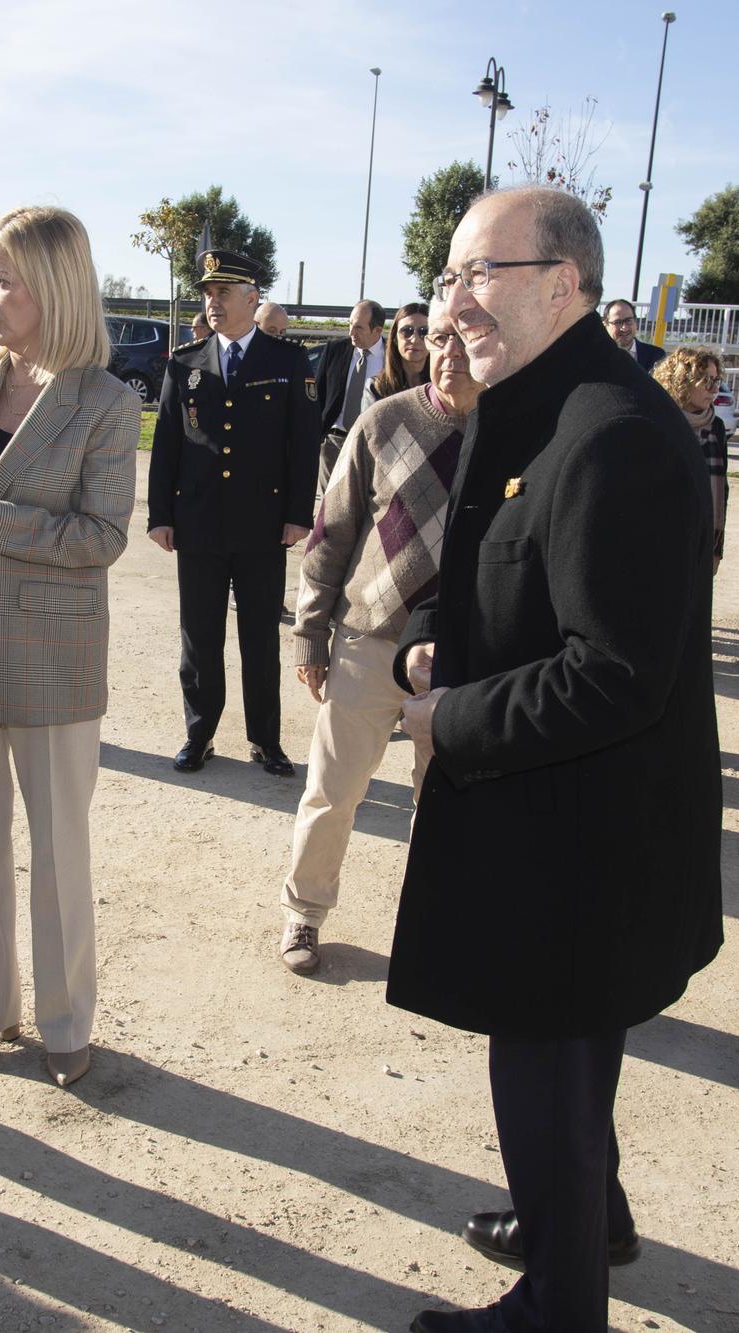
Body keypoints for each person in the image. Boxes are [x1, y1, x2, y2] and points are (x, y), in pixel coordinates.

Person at [394, 188, 723, 1333]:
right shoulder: (541, 403)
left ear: (563, 282)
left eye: (478, 273)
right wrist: (467, 643)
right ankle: (581, 1227)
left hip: (579, 851)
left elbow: (615, 673)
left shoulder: (611, 432)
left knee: (547, 1087)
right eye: (448, 277)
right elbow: (548, 593)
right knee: (563, 1091)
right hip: (555, 831)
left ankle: (556, 1306)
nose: (454, 301)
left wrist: (453, 718)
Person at [0, 205, 138, 1090]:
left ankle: (67, 1020)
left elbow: (101, 537)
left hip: (52, 656)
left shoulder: (107, 402)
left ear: (54, 285)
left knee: (57, 854)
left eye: (2, 279)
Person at [277, 310, 481, 975]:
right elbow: (330, 534)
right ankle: (303, 914)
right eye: (440, 337)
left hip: (461, 655)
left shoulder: (514, 433)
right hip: (368, 638)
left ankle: (432, 928)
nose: (447, 351)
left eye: (462, 339)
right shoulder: (385, 420)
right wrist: (310, 629)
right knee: (332, 790)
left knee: (445, 805)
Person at [147, 247, 320, 777]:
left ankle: (266, 739)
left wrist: (297, 515)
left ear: (252, 298)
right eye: (207, 293)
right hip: (198, 523)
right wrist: (160, 514)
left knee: (260, 638)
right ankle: (199, 735)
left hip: (262, 525)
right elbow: (168, 444)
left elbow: (303, 445)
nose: (213, 302)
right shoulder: (186, 363)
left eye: (223, 292)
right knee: (199, 638)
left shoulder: (287, 361)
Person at [655, 345, 730, 571]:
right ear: (683, 380)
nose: (714, 389)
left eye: (717, 381)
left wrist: (716, 549)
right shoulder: (660, 421)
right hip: (662, 536)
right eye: (707, 380)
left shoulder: (716, 426)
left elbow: (722, 491)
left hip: (703, 536)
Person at [315, 300, 388, 487]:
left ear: (377, 330)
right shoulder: (335, 350)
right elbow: (317, 395)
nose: (351, 333)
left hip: (371, 447)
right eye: (350, 325)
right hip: (333, 443)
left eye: (358, 328)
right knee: (328, 509)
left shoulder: (392, 356)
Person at [356, 301, 432, 414]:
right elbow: (371, 430)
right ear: (395, 338)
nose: (415, 339)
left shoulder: (444, 387)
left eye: (424, 332)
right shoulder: (376, 387)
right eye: (407, 331)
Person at [601, 297, 664, 370]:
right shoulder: (595, 356)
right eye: (618, 322)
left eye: (628, 321)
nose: (624, 328)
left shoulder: (656, 356)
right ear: (605, 325)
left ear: (635, 321)